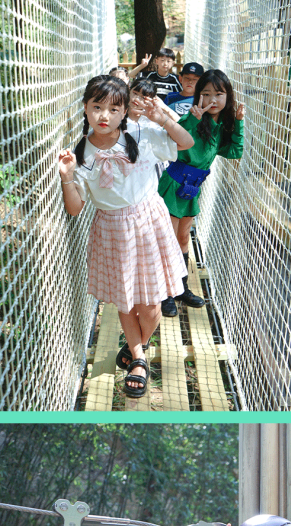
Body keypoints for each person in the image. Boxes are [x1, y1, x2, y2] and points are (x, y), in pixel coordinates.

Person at [58, 73, 195, 397]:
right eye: (97, 107)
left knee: (150, 305)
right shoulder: (80, 154)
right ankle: (138, 359)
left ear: (124, 111)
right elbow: (76, 209)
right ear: (86, 108)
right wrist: (66, 177)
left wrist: (163, 118)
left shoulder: (141, 132)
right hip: (112, 229)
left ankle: (138, 345)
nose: (104, 116)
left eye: (113, 109)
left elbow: (186, 143)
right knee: (125, 298)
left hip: (149, 221)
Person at [158, 69, 244, 317]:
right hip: (174, 184)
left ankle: (181, 288)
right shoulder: (192, 119)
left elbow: (234, 152)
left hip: (192, 188)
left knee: (184, 239)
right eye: (205, 94)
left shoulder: (220, 126)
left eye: (219, 94)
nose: (212, 100)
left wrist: (238, 122)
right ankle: (165, 294)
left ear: (228, 97)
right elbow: (177, 139)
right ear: (198, 96)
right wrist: (193, 120)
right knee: (168, 239)